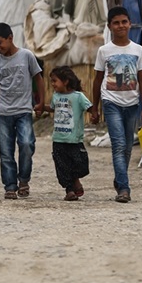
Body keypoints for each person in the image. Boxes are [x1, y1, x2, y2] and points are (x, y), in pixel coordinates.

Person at [89, 6, 142, 204]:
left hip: (132, 103)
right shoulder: (104, 51)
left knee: (126, 149)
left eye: (124, 21)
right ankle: (124, 189)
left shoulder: (138, 50)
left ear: (130, 24)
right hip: (111, 102)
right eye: (116, 23)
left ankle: (119, 179)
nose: (121, 26)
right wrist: (95, 107)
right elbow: (98, 80)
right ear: (110, 26)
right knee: (118, 145)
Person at [0, 22, 46, 200]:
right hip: (3, 113)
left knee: (27, 144)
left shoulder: (26, 56)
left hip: (23, 111)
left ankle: (24, 180)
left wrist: (41, 102)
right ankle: (10, 185)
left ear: (10, 38)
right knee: (6, 152)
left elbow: (39, 79)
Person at [46, 66, 92, 201]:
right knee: (62, 166)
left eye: (55, 81)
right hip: (58, 139)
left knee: (80, 164)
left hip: (74, 139)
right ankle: (69, 190)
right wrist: (41, 108)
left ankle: (76, 180)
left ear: (65, 81)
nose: (53, 84)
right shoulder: (56, 96)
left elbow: (89, 107)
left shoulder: (78, 97)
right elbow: (52, 108)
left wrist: (94, 115)